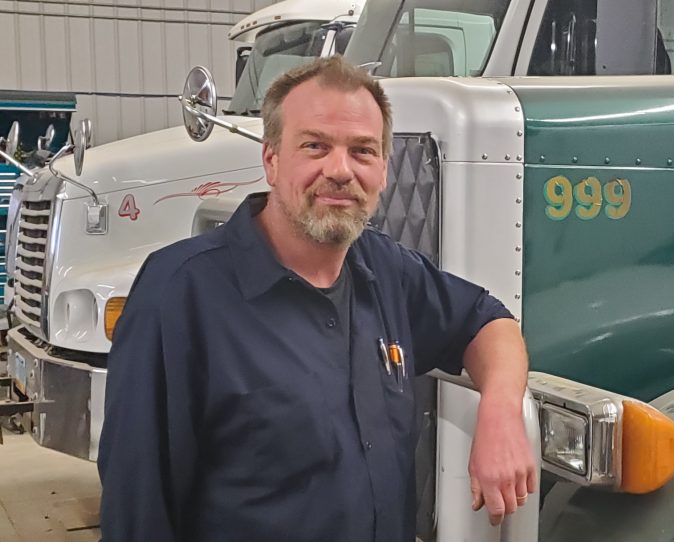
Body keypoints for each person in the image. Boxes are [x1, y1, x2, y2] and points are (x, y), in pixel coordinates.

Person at [98, 56, 537, 542]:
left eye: (363, 151)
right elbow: (137, 510)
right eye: (315, 146)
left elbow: (489, 322)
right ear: (271, 160)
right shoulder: (178, 295)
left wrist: (501, 414)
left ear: (384, 172)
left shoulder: (385, 270)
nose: (340, 170)